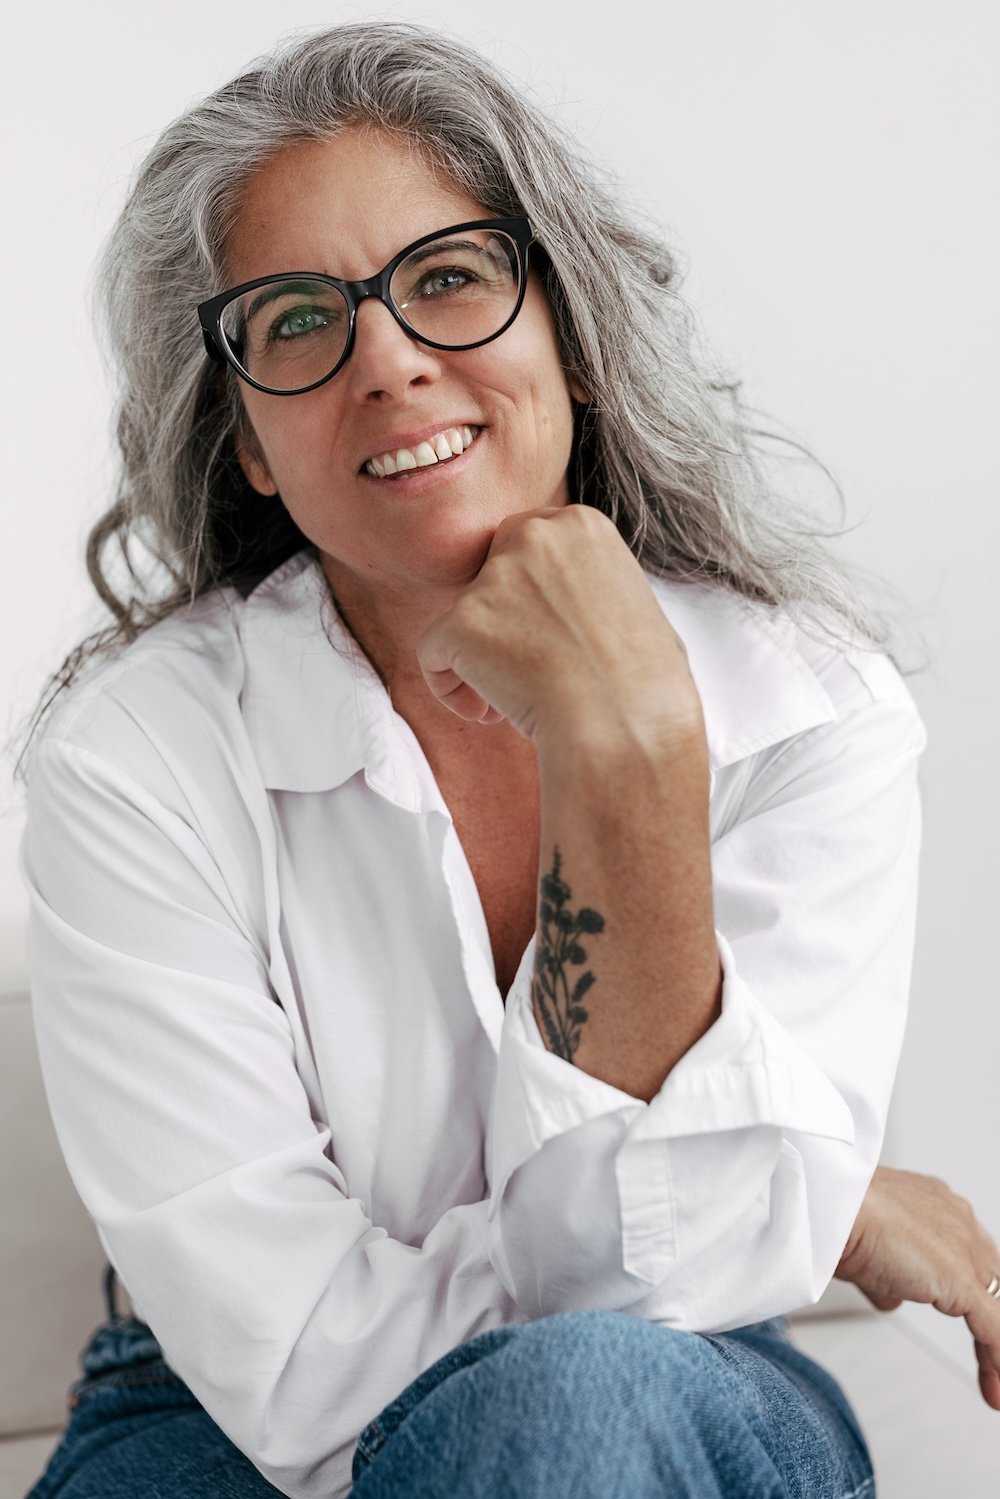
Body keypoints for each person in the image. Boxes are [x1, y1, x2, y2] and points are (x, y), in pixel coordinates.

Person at [15, 21, 999, 1499]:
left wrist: (630, 743)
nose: (391, 362)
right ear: (251, 445)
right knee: (572, 1389)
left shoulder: (809, 710)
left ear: (572, 339)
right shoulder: (135, 758)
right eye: (296, 319)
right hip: (207, 1425)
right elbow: (297, 1364)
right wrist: (799, 1201)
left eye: (450, 278)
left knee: (585, 1401)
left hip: (683, 1390)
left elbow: (653, 1323)